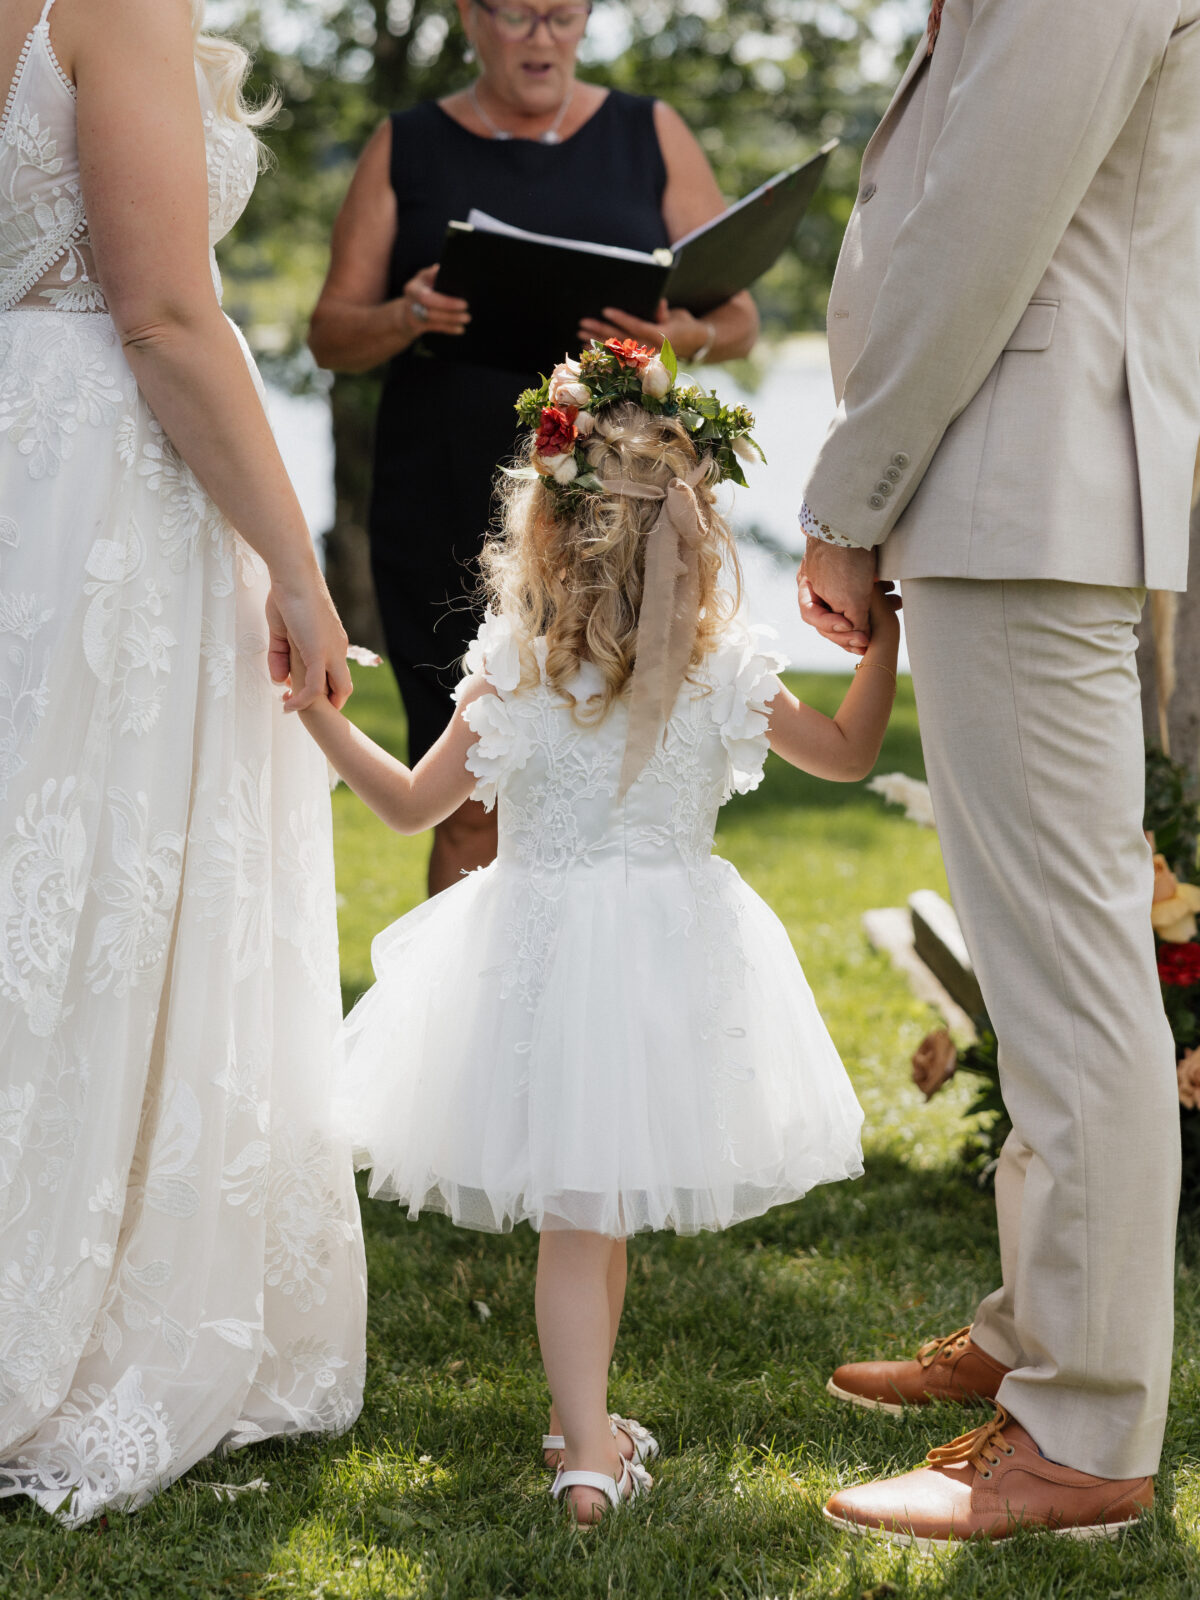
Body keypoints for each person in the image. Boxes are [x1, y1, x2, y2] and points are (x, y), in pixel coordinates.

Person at [296, 340, 897, 1522]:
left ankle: (588, 1436)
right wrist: (882, 648)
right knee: (594, 1208)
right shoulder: (728, 670)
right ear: (696, 531)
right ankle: (586, 1447)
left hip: (540, 958)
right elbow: (853, 754)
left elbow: (410, 804)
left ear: (547, 530)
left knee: (584, 1214)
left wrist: (319, 715)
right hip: (670, 958)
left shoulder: (516, 668)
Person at [795, 0, 1200, 1548]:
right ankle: (1040, 1335)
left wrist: (851, 494)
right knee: (1043, 961)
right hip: (1009, 488)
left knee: (1072, 976)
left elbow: (984, 221)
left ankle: (1083, 1428)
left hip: (1026, 482)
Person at [0, 0, 366, 1524]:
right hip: (104, 477)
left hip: (24, 444)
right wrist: (296, 562)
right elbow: (162, 312)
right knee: (90, 898)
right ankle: (64, 1325)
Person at [306, 0, 760, 897]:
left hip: (619, 518)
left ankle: (588, 997)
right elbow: (329, 332)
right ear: (471, 19)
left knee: (618, 778)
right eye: (516, 16)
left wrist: (676, 330)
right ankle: (466, 1016)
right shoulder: (406, 144)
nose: (541, 36)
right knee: (471, 782)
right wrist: (408, 314)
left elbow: (739, 318)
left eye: (561, 14)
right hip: (444, 498)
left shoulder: (649, 132)